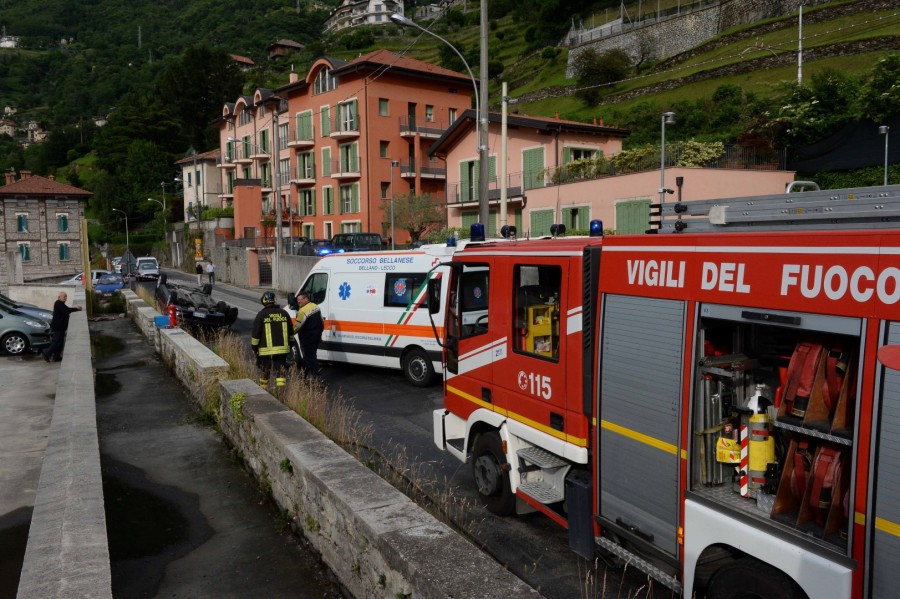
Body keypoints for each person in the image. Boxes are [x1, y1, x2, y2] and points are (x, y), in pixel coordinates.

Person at [250, 291, 292, 390]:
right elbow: (291, 333)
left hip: (266, 351)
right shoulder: (284, 313)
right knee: (280, 373)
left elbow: (256, 335)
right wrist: (290, 346)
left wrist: (254, 348)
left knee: (265, 371)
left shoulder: (261, 315)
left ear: (264, 301)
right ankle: (281, 394)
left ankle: (264, 391)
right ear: (274, 300)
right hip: (282, 350)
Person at [42, 291, 82, 362]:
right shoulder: (58, 303)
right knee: (56, 342)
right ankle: (46, 352)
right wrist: (76, 309)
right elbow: (66, 310)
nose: (65, 298)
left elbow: (67, 310)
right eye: (64, 296)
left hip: (61, 327)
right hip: (58, 327)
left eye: (66, 296)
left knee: (60, 342)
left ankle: (56, 356)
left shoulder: (61, 304)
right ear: (59, 297)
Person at [295, 290, 324, 377]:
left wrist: (289, 333)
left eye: (300, 300)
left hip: (307, 337)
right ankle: (302, 377)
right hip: (316, 335)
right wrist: (320, 333)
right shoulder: (316, 306)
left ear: (306, 299)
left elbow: (297, 326)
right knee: (308, 356)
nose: (298, 302)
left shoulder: (302, 311)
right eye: (297, 300)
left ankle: (319, 379)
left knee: (310, 357)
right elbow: (321, 321)